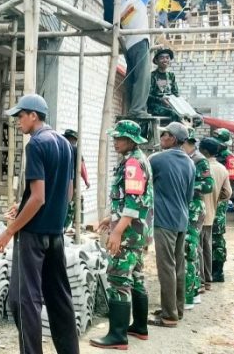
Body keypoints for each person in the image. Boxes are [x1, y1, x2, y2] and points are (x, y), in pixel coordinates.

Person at [0, 94, 79, 354]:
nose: (18, 121)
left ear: (34, 115)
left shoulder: (36, 144)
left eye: (20, 116)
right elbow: (67, 193)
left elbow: (39, 197)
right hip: (55, 234)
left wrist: (9, 231)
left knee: (24, 301)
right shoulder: (65, 144)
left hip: (33, 236)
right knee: (59, 297)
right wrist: (24, 206)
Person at [90, 120, 153, 350]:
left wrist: (117, 231)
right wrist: (111, 218)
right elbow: (131, 198)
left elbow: (134, 202)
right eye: (115, 137)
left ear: (132, 140)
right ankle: (140, 327)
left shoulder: (133, 163)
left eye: (120, 138)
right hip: (137, 231)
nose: (115, 142)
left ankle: (117, 336)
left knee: (118, 279)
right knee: (136, 277)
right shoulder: (136, 159)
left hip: (128, 234)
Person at [148, 122, 195, 328]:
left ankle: (168, 316)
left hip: (164, 220)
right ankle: (177, 308)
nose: (161, 138)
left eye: (164, 135)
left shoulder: (156, 159)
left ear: (173, 138)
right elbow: (189, 195)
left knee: (166, 267)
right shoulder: (190, 162)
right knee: (178, 266)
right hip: (181, 219)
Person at [181, 129, 213, 310]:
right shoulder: (187, 158)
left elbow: (208, 185)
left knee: (189, 250)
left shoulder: (199, 160)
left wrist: (185, 186)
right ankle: (193, 292)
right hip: (187, 207)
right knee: (189, 250)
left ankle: (190, 295)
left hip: (194, 207)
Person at [198, 137, 232, 290]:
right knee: (207, 247)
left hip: (197, 215)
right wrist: (215, 199)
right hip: (211, 213)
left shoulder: (200, 166)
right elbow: (227, 193)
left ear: (204, 151)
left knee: (197, 248)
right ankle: (208, 279)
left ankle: (199, 281)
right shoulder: (222, 169)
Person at [120, 0, 155, 118]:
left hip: (129, 46)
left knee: (132, 78)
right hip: (140, 42)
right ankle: (138, 110)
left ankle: (131, 108)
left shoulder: (122, 8)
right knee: (142, 78)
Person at [211, 128, 234, 282]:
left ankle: (218, 270)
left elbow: (231, 184)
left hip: (220, 199)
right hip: (209, 197)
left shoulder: (230, 158)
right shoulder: (212, 154)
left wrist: (222, 198)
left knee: (217, 234)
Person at [63, 129, 90, 228]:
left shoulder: (60, 147)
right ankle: (73, 225)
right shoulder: (75, 150)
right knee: (75, 203)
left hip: (59, 184)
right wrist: (86, 181)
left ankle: (65, 226)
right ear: (74, 139)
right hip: (72, 184)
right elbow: (82, 167)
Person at [148, 48, 180, 121]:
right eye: (162, 58)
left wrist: (181, 101)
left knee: (194, 115)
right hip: (155, 106)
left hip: (170, 105)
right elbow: (147, 95)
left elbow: (176, 93)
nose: (165, 60)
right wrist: (160, 99)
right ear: (156, 61)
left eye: (167, 58)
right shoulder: (152, 76)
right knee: (175, 114)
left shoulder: (171, 75)